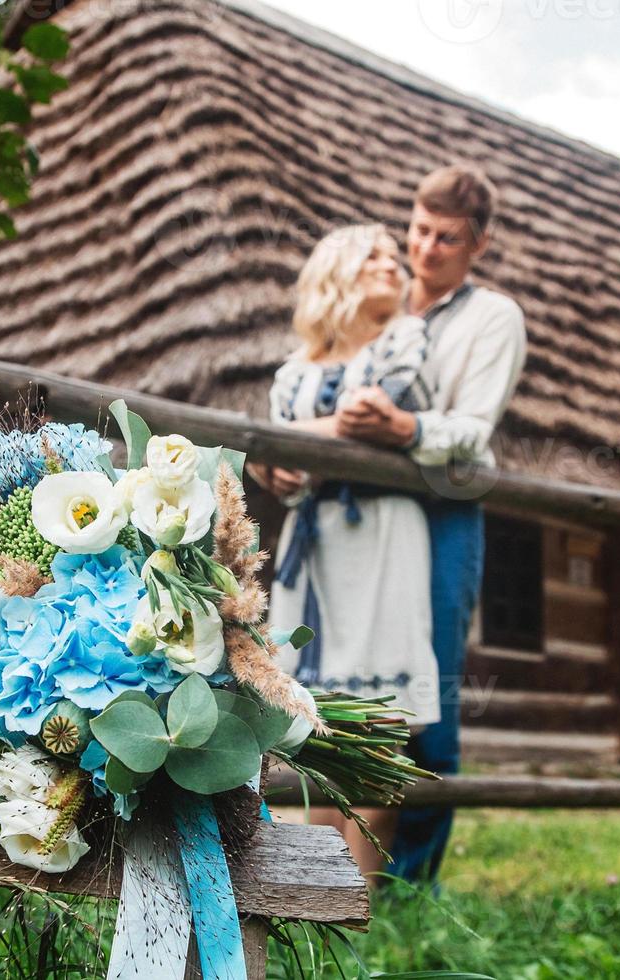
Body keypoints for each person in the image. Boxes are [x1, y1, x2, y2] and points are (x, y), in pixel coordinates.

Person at [333, 165, 528, 883]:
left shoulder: (493, 318)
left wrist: (406, 426)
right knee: (351, 686)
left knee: (432, 698)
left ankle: (412, 883)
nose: (426, 247)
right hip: (365, 514)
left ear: (477, 244)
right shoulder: (378, 300)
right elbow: (318, 367)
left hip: (442, 516)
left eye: (446, 237)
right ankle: (337, 869)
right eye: (418, 228)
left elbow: (473, 430)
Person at [249, 223, 439, 882]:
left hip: (381, 533)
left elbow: (369, 419)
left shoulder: (405, 342)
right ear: (337, 273)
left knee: (380, 726)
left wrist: (291, 443)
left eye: (395, 257)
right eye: (373, 257)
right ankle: (308, 900)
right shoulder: (294, 371)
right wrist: (277, 463)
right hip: (316, 542)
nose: (392, 265)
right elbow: (276, 447)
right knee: (310, 720)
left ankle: (358, 907)